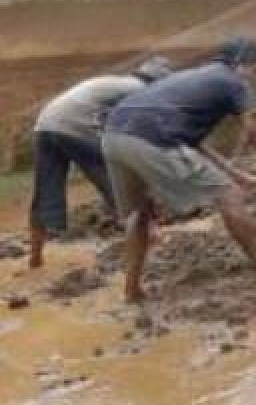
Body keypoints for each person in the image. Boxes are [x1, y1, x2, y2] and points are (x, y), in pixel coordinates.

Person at [102, 38, 256, 302]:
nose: (254, 82)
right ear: (245, 65)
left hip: (113, 136)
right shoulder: (233, 82)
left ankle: (131, 289)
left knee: (139, 213)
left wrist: (242, 176)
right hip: (152, 139)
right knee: (230, 197)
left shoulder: (196, 79)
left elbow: (195, 146)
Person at [28, 57, 173, 269]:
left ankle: (35, 257)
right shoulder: (141, 91)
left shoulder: (118, 83)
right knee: (120, 186)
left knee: (44, 193)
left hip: (45, 125)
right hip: (76, 128)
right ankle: (151, 239)